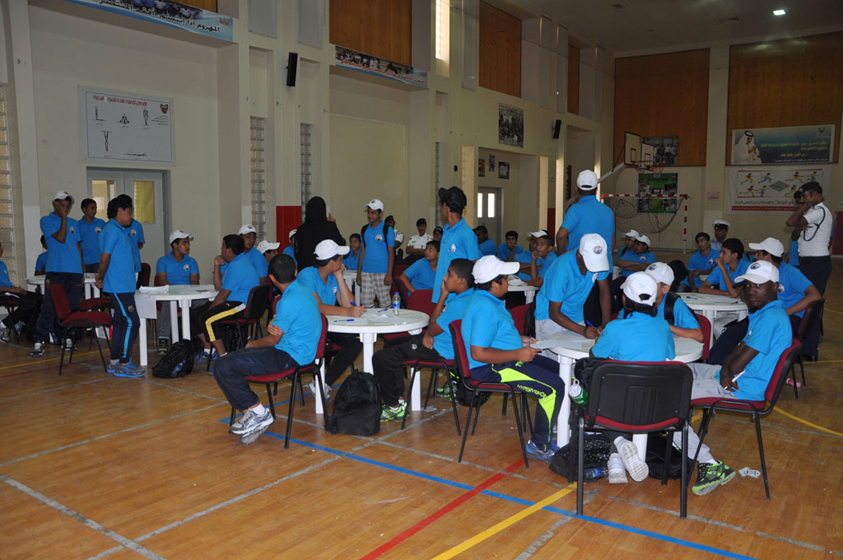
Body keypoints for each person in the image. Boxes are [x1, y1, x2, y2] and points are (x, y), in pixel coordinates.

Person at [677, 260, 790, 496]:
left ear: (774, 287)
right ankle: (680, 441)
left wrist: (730, 367)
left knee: (669, 400)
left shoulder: (771, 318)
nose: (751, 290)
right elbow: (735, 351)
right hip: (729, 376)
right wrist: (727, 367)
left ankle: (709, 463)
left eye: (758, 285)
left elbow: (738, 361)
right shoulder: (764, 313)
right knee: (681, 370)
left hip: (742, 388)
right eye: (748, 285)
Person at [461, 255, 565, 463]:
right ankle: (539, 445)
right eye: (505, 278)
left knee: (560, 370)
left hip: (505, 358)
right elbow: (478, 353)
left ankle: (553, 425)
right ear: (494, 284)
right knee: (553, 387)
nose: (508, 282)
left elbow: (495, 335)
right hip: (492, 367)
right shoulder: (484, 308)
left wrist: (520, 340)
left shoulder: (488, 300)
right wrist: (517, 353)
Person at [213, 254, 321, 445]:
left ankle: (259, 413)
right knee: (228, 362)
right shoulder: (304, 291)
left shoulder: (288, 300)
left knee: (224, 365)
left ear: (271, 278)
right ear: (296, 272)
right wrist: (272, 323)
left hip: (290, 356)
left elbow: (273, 339)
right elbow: (282, 326)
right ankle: (253, 413)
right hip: (293, 351)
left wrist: (251, 345)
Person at [590, 272, 675, 483]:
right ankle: (615, 462)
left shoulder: (615, 328)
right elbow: (670, 354)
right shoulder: (663, 326)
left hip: (619, 406)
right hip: (657, 406)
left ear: (624, 299)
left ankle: (619, 442)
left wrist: (602, 340)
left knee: (592, 390)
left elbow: (595, 355)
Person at [372, 258, 475, 421]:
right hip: (442, 342)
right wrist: (429, 332)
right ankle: (398, 397)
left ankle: (394, 407)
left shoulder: (458, 304)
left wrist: (442, 296)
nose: (444, 277)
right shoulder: (467, 297)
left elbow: (432, 328)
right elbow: (433, 328)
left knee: (380, 358)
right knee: (391, 344)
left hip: (440, 349)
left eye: (449, 274)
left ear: (462, 281)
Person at [707, 237, 821, 364]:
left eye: (758, 253)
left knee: (750, 335)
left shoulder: (790, 272)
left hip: (789, 318)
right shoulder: (760, 273)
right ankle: (712, 365)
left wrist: (785, 312)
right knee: (732, 333)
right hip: (765, 315)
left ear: (768, 257)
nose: (755, 256)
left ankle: (731, 366)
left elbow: (815, 295)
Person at [296, 240, 364, 398]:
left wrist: (339, 276)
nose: (342, 261)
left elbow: (349, 303)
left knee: (356, 341)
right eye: (340, 258)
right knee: (325, 345)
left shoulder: (332, 277)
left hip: (327, 325)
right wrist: (348, 312)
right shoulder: (307, 275)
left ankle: (324, 383)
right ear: (331, 262)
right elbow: (318, 307)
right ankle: (319, 381)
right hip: (308, 326)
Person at [534, 234, 612, 352]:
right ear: (580, 255)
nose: (595, 267)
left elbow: (604, 290)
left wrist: (605, 324)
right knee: (555, 358)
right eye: (591, 262)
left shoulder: (598, 262)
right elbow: (554, 312)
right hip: (550, 318)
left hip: (576, 315)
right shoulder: (561, 269)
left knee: (579, 356)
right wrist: (583, 330)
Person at [95, 195, 144, 378]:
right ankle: (123, 362)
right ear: (120, 211)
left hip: (124, 285)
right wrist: (100, 276)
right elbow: (105, 258)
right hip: (119, 286)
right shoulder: (111, 230)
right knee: (132, 322)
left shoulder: (119, 230)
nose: (131, 216)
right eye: (129, 212)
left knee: (121, 322)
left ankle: (115, 361)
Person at [194, 234, 260, 366]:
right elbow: (219, 287)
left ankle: (224, 359)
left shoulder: (239, 265)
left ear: (229, 250)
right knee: (194, 315)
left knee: (207, 319)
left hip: (241, 306)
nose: (221, 249)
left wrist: (210, 310)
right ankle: (209, 351)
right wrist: (216, 265)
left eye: (223, 246)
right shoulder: (235, 263)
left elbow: (223, 295)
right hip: (231, 302)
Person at [32, 191, 84, 357]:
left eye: (67, 206)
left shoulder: (74, 223)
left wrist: (82, 270)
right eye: (62, 205)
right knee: (50, 306)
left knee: (72, 307)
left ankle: (67, 337)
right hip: (56, 271)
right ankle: (39, 340)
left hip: (74, 272)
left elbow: (77, 247)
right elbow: (61, 238)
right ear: (54, 203)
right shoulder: (46, 221)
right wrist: (62, 217)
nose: (65, 208)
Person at [432, 187, 482, 303]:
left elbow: (476, 264)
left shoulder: (466, 233)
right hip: (444, 294)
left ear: (446, 207)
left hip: (457, 298)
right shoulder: (446, 230)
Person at [155, 230, 200, 353]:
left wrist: (187, 292)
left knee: (203, 303)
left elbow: (194, 281)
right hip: (171, 294)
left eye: (188, 243)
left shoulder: (192, 261)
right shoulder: (163, 261)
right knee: (169, 303)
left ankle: (200, 337)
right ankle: (163, 339)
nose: (188, 246)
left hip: (188, 294)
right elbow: (163, 281)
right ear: (175, 245)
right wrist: (177, 293)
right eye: (184, 243)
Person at [786, 182, 832, 303]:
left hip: (817, 262)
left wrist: (809, 203)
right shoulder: (812, 212)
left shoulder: (819, 211)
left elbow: (790, 222)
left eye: (804, 196)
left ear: (815, 194)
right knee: (805, 298)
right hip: (808, 262)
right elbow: (794, 232)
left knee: (812, 300)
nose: (802, 200)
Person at [555, 169, 615, 257]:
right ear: (596, 189)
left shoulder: (575, 209)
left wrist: (562, 254)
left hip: (580, 264)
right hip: (604, 262)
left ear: (576, 188)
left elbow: (561, 236)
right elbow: (612, 243)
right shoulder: (609, 211)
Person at [698, 238, 750, 338]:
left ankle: (730, 347)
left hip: (740, 310)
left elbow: (734, 293)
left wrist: (722, 269)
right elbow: (702, 288)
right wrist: (725, 293)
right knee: (699, 316)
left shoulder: (746, 268)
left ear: (735, 255)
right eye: (721, 252)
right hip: (723, 306)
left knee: (717, 326)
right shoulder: (721, 267)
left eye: (724, 253)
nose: (720, 256)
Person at [639, 262, 703, 342]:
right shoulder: (636, 298)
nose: (646, 285)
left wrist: (664, 325)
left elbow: (698, 335)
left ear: (665, 289)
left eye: (652, 283)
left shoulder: (673, 304)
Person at [0, 241, 43, 344]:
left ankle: (23, 324)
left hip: (9, 291)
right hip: (2, 293)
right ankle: (4, 324)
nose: (2, 249)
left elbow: (6, 283)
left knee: (39, 298)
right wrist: (13, 290)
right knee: (29, 302)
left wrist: (18, 289)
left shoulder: (2, 264)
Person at [357, 199, 395, 307]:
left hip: (382, 272)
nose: (370, 215)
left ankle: (386, 319)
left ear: (380, 214)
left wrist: (389, 274)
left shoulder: (387, 230)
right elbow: (362, 252)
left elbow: (391, 253)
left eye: (373, 213)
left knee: (384, 302)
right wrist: (359, 273)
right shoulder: (364, 229)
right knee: (365, 302)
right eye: (368, 212)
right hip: (366, 272)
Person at [294, 196, 344, 271]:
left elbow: (297, 252)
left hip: (305, 270)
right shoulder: (329, 227)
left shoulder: (301, 229)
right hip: (324, 270)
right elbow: (339, 244)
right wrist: (333, 224)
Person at [77, 198, 105, 273]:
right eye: (92, 208)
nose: (94, 211)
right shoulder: (78, 225)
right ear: (84, 209)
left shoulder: (101, 223)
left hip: (98, 261)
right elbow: (77, 244)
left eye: (95, 208)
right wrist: (81, 263)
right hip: (85, 262)